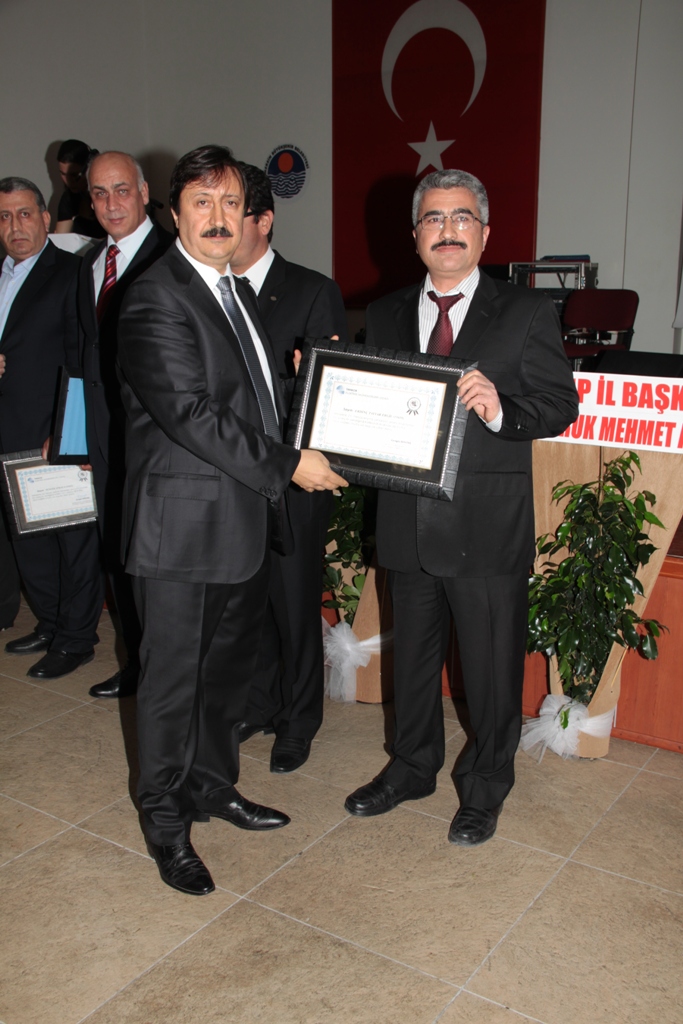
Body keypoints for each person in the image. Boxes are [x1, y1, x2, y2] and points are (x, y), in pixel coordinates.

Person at [117, 145, 347, 895]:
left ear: (249, 216)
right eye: (201, 203)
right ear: (174, 213)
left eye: (229, 204)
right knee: (171, 687)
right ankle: (165, 824)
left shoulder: (234, 292)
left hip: (242, 524)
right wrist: (289, 465)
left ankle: (212, 787)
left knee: (224, 679)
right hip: (181, 534)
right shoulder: (156, 297)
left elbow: (254, 399)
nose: (217, 218)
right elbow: (191, 414)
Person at [344, 170, 578, 845]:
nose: (447, 230)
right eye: (433, 218)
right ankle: (411, 767)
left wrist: (501, 408)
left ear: (484, 233)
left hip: (486, 525)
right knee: (413, 665)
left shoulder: (525, 311)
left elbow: (559, 404)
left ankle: (485, 786)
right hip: (405, 522)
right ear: (415, 235)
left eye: (461, 218)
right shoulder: (384, 312)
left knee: (490, 671)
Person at [231, 162, 348, 773]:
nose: (220, 224)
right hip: (233, 472)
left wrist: (307, 382)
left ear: (264, 220)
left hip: (295, 474)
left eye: (234, 212)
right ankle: (257, 703)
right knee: (247, 600)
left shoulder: (310, 290)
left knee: (294, 603)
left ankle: (299, 720)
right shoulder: (209, 290)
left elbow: (334, 395)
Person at [79, 151, 173, 699]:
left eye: (121, 190)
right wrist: (73, 434)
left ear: (143, 193)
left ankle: (162, 671)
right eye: (99, 193)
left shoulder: (173, 256)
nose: (111, 203)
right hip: (101, 435)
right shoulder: (89, 263)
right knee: (117, 550)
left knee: (153, 560)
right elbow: (80, 357)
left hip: (156, 437)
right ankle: (137, 663)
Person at [0, 177, 103, 678]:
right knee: (28, 539)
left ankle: (78, 639)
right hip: (6, 430)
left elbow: (81, 356)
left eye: (24, 214)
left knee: (72, 540)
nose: (14, 226)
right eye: (4, 217)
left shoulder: (72, 273)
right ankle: (51, 622)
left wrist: (68, 431)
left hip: (51, 430)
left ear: (45, 218)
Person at [54, 139, 105, 238]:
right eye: (63, 174)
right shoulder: (68, 198)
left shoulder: (107, 194)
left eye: (74, 175)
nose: (68, 181)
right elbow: (61, 237)